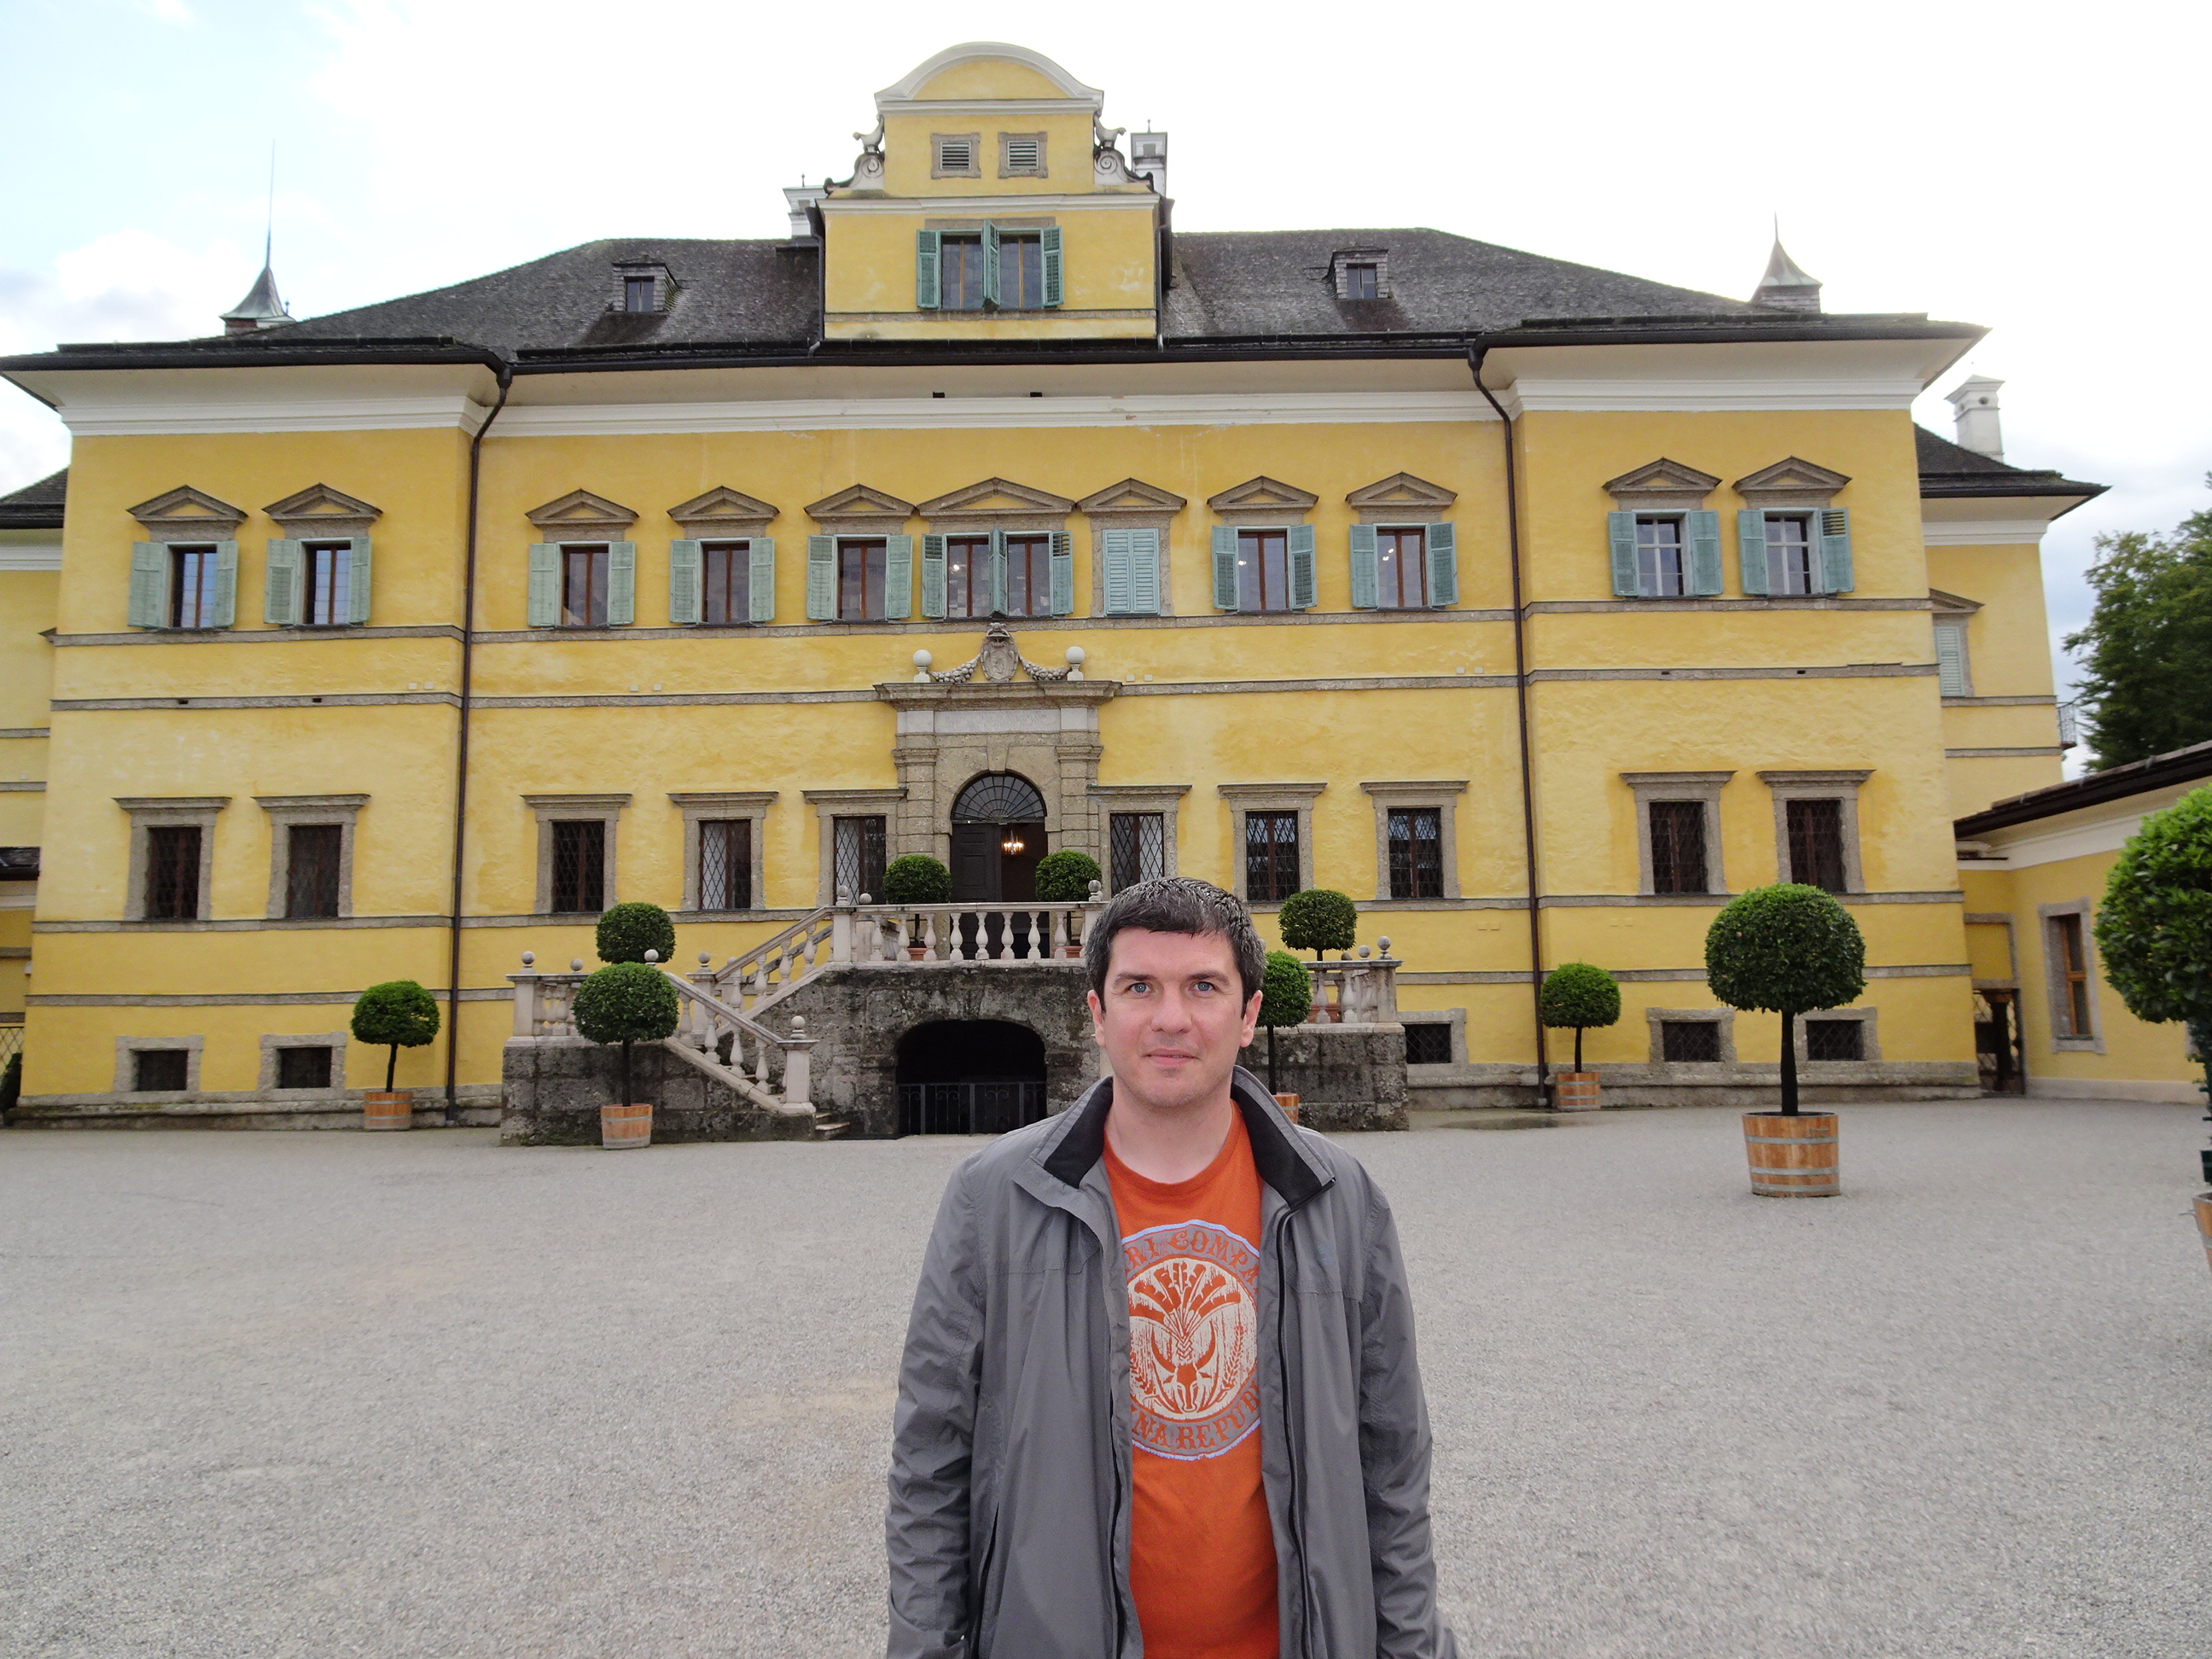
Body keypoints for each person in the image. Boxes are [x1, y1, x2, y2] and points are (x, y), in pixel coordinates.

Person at [888, 876, 1458, 1658]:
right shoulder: (993, 1197)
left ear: (1249, 1015)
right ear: (1097, 1013)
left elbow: (1392, 1462)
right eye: (1139, 987)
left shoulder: (1340, 1198)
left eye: (1203, 987)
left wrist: (1413, 1647)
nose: (1170, 1019)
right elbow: (931, 1456)